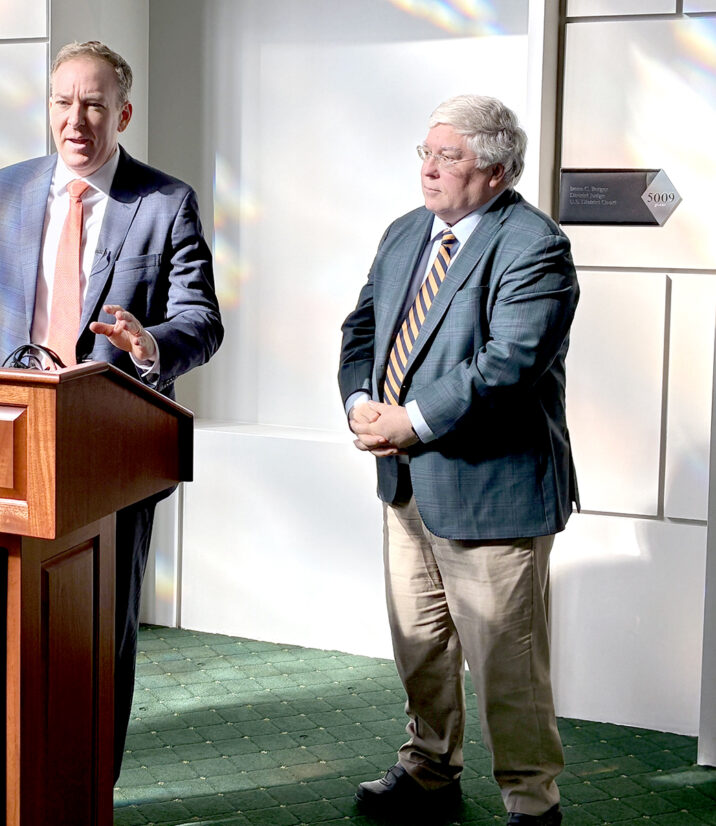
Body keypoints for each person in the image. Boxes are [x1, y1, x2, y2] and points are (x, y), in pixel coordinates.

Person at [0, 40, 223, 779]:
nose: (75, 120)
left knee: (99, 622)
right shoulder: (9, 189)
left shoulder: (165, 201)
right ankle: (11, 777)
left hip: (110, 443)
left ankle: (90, 790)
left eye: (93, 104)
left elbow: (202, 319)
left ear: (123, 113)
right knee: (9, 611)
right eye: (62, 102)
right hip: (10, 436)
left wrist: (150, 343)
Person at [338, 95, 579, 826]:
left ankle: (533, 803)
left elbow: (510, 363)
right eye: (427, 153)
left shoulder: (534, 245)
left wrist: (409, 421)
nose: (429, 170)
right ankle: (429, 771)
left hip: (492, 489)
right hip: (406, 484)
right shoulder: (405, 232)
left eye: (449, 157)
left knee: (508, 665)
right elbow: (362, 329)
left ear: (497, 171)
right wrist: (359, 402)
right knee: (420, 646)